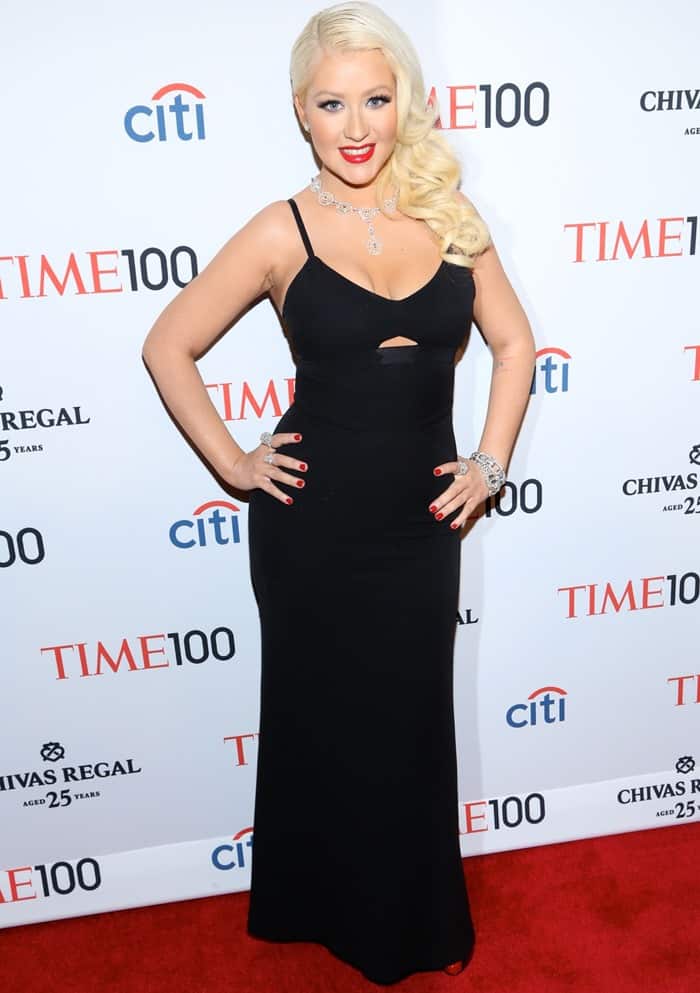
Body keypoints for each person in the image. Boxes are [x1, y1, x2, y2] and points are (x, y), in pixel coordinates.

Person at [142, 1, 535, 984]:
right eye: (331, 104)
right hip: (309, 526)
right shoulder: (280, 231)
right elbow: (168, 344)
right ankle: (314, 902)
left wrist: (488, 463)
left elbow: (514, 343)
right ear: (299, 113)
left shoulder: (449, 217)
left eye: (374, 98)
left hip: (418, 524)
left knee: (404, 723)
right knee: (321, 718)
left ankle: (406, 920)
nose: (356, 126)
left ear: (403, 100)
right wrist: (233, 462)